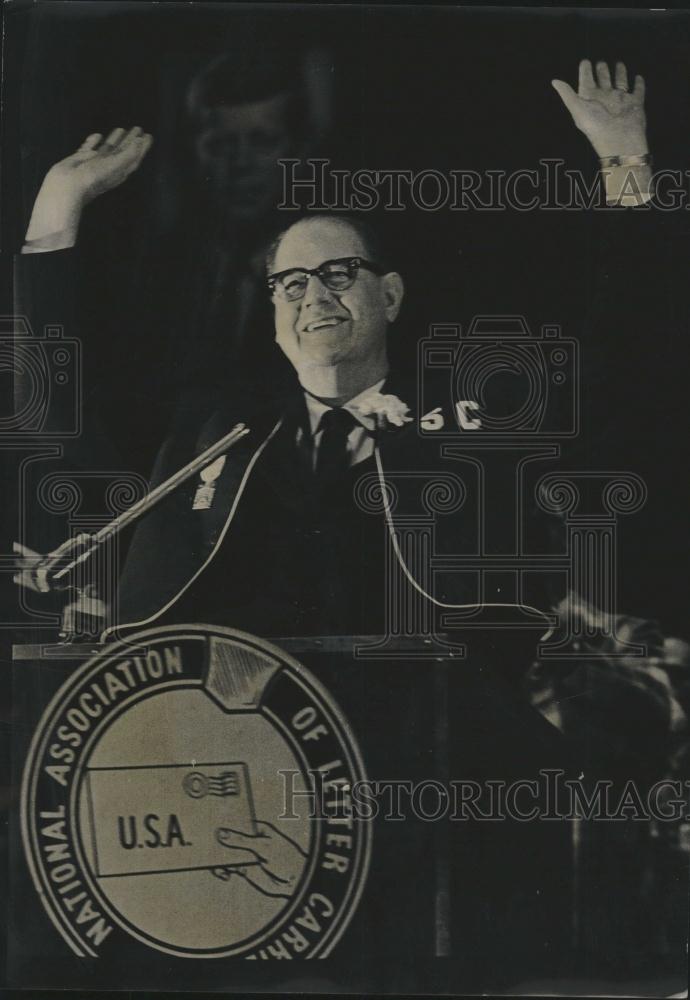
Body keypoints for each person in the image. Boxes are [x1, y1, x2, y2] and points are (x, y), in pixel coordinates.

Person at [12, 61, 684, 985]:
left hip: (434, 808)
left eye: (339, 273)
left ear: (391, 296)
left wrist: (625, 165)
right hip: (242, 811)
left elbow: (625, 365)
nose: (314, 296)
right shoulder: (215, 431)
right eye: (291, 283)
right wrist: (59, 206)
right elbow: (62, 402)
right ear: (274, 315)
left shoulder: (474, 425)